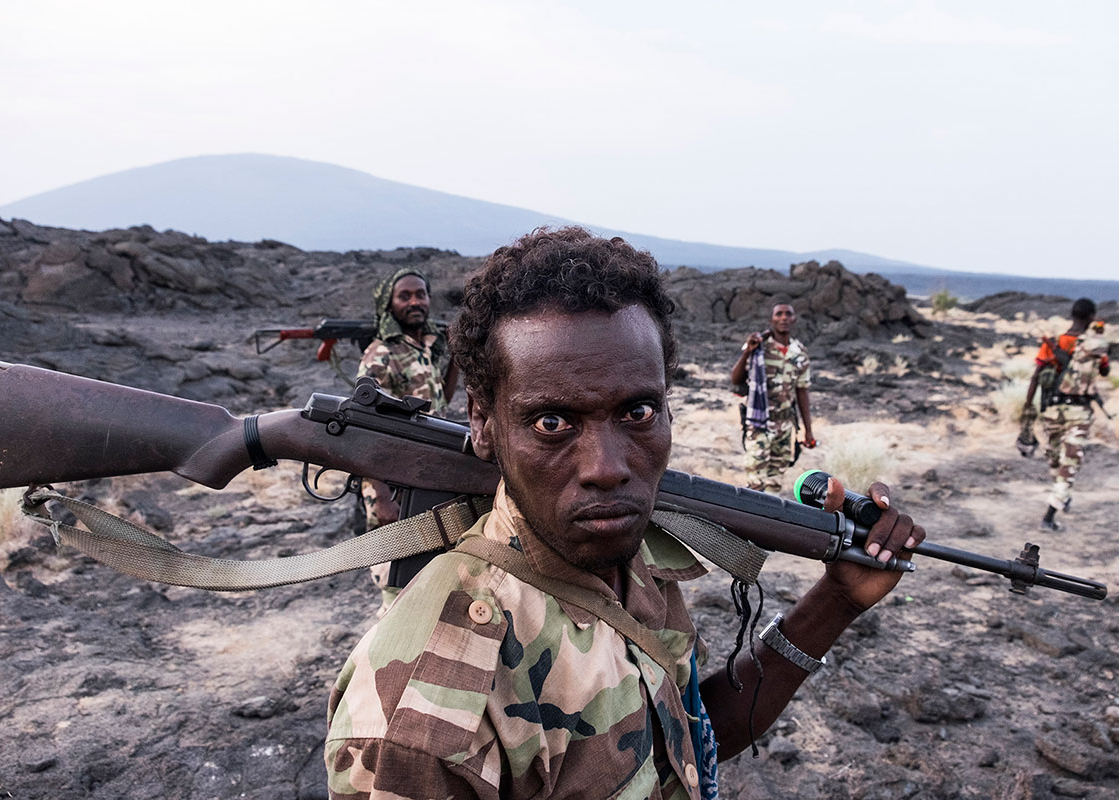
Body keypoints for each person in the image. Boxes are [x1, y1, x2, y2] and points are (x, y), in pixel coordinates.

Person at [325, 227, 924, 799]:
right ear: (482, 421)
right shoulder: (419, 709)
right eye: (552, 423)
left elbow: (687, 740)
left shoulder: (633, 553)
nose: (608, 467)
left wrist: (836, 601)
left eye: (637, 412)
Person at [357, 267, 459, 608]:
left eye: (421, 294)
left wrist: (454, 359)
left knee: (426, 568)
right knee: (394, 578)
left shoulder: (425, 347)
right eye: (405, 296)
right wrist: (382, 496)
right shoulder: (381, 354)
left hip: (424, 472)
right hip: (390, 478)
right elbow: (364, 426)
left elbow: (439, 400)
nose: (415, 302)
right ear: (390, 304)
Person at [1023, 298, 1110, 531]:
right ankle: (1055, 506)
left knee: (1056, 460)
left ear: (1072, 315)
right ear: (1091, 316)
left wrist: (1027, 407)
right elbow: (1105, 369)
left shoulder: (1056, 342)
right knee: (1067, 463)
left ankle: (1055, 505)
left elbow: (1036, 375)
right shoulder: (1094, 344)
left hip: (1051, 411)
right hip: (1079, 412)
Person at [729, 303, 816, 496]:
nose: (784, 317)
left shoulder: (799, 352)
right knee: (755, 482)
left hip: (785, 426)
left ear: (794, 320)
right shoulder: (758, 346)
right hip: (759, 423)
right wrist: (747, 351)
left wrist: (808, 431)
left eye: (788, 314)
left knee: (775, 482)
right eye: (779, 314)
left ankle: (768, 523)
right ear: (772, 320)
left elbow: (802, 391)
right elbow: (735, 379)